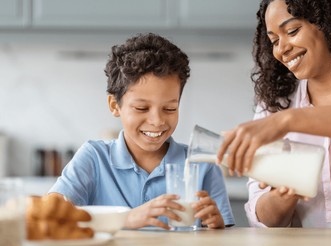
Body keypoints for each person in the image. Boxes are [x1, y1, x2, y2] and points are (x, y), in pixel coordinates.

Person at [48, 33, 235, 230]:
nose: (157, 121)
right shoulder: (94, 158)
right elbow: (52, 215)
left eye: (170, 109)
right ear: (115, 105)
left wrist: (218, 227)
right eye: (141, 108)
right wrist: (125, 219)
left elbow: (225, 243)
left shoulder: (202, 165)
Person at [218, 0, 331, 228]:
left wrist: (288, 121)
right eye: (274, 41)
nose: (281, 49)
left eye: (292, 31)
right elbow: (261, 216)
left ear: (328, 23)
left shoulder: (281, 118)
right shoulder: (275, 104)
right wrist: (283, 197)